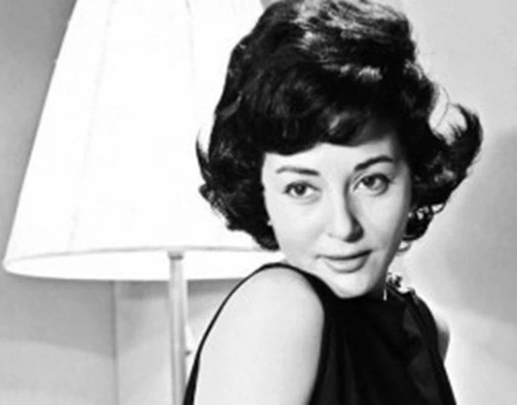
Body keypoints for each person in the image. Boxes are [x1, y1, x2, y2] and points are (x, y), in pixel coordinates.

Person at [185, 0, 482, 403]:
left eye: (371, 181)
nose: (343, 227)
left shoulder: (425, 328)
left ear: (414, 176)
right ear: (262, 194)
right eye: (301, 189)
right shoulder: (277, 310)